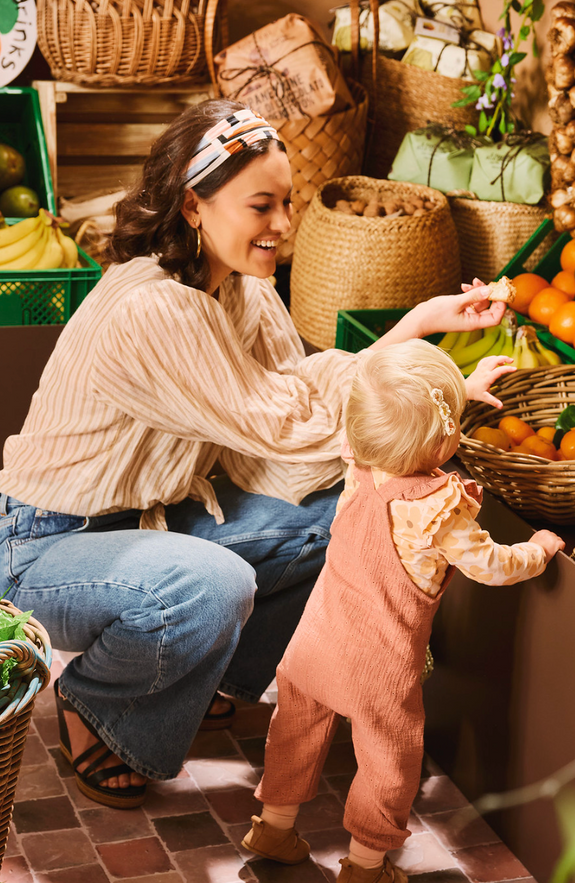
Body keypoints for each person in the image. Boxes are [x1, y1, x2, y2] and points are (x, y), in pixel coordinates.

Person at [0, 98, 508, 810]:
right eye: (260, 205)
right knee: (207, 586)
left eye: (287, 204)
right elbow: (287, 425)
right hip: (45, 545)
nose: (281, 224)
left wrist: (421, 326)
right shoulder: (155, 309)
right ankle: (98, 706)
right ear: (193, 205)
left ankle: (205, 676)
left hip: (150, 520)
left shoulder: (241, 285)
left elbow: (296, 394)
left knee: (343, 514)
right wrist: (429, 367)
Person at [241, 339, 565, 883]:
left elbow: (394, 421)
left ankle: (273, 828)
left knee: (293, 734)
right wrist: (536, 549)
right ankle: (366, 866)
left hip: (312, 643)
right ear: (446, 439)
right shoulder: (437, 508)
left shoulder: (358, 465)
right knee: (389, 760)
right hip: (379, 665)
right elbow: (490, 565)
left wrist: (447, 396)